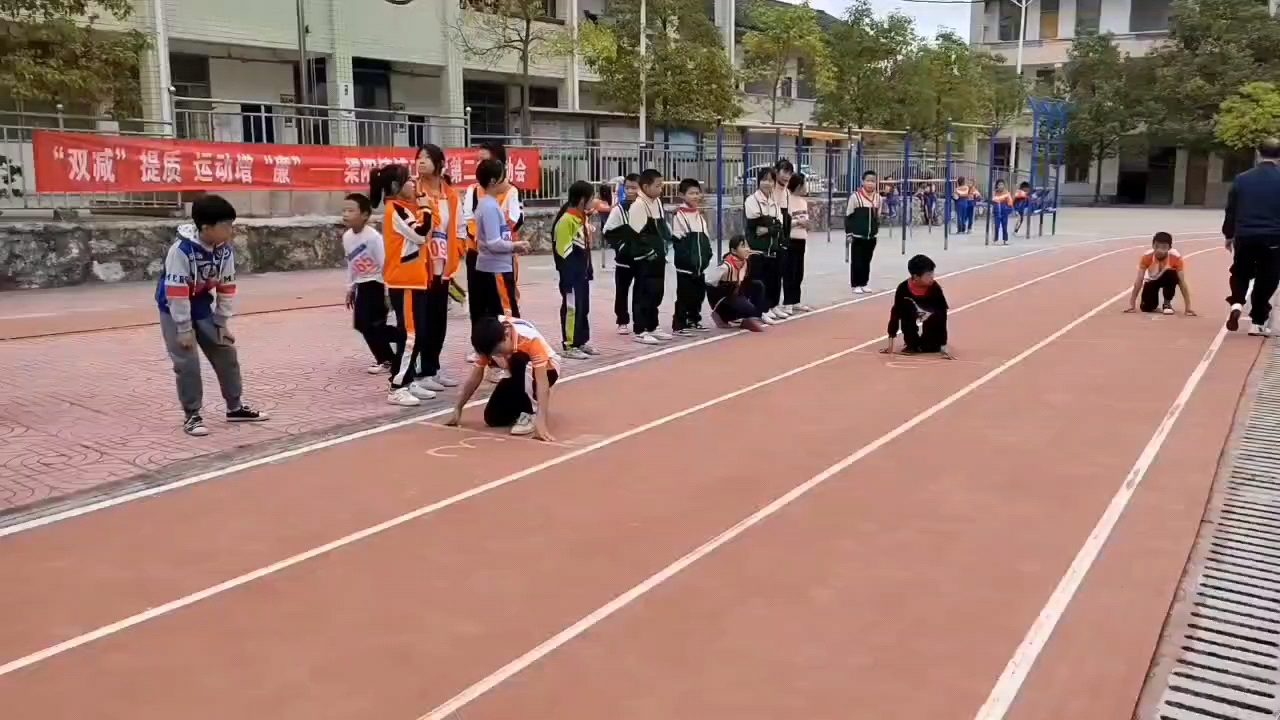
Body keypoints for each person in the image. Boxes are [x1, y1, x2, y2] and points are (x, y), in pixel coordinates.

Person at [156, 194, 268, 436]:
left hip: (202, 305)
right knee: (187, 362)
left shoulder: (224, 250)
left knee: (226, 351)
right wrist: (184, 329)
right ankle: (192, 415)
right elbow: (176, 293)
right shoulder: (181, 251)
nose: (230, 230)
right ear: (206, 227)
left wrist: (221, 321)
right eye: (225, 225)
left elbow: (227, 286)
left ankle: (235, 407)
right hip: (174, 309)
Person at [371, 162, 439, 405]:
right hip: (405, 280)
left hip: (416, 278)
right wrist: (427, 209)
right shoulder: (396, 209)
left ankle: (409, 379)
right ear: (395, 186)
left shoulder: (406, 208)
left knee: (418, 333)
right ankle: (397, 386)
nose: (414, 184)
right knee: (409, 334)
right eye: (409, 180)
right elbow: (421, 233)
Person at [446, 315, 559, 441]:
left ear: (506, 334)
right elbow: (475, 376)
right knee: (493, 418)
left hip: (548, 369)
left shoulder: (529, 339)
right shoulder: (489, 339)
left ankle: (530, 412)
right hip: (516, 374)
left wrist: (541, 420)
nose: (500, 356)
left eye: (500, 351)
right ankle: (522, 403)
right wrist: (458, 407)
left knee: (518, 359)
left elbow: (541, 380)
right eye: (495, 355)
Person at [461, 141, 524, 356]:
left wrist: (499, 237)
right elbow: (468, 218)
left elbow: (514, 219)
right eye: (478, 159)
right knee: (479, 304)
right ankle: (482, 346)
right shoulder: (474, 192)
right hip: (479, 254)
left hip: (500, 256)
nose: (480, 163)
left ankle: (508, 344)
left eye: (485, 159)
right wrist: (482, 235)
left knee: (504, 302)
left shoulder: (510, 192)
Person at [412, 143, 465, 392]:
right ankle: (421, 371)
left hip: (442, 265)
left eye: (426, 158)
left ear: (439, 163)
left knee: (438, 318)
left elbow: (458, 226)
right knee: (421, 320)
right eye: (418, 157)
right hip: (420, 265)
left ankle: (433, 367)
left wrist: (457, 251)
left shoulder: (450, 194)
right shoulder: (412, 189)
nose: (421, 161)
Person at [1223, 137, 1280, 336]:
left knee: (1240, 272)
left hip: (1245, 235)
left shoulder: (1242, 179)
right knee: (1268, 277)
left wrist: (1229, 235)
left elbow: (1231, 209)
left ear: (1258, 153)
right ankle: (1258, 320)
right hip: (1273, 238)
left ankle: (1237, 302)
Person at [341, 192, 402, 377]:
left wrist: (387, 292)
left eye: (351, 210)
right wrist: (350, 287)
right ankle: (393, 351)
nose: (345, 214)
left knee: (372, 325)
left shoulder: (373, 237)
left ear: (365, 215)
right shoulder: (347, 237)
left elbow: (385, 264)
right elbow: (351, 264)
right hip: (362, 284)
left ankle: (399, 345)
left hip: (376, 283)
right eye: (343, 210)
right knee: (362, 324)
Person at [554, 180, 598, 359]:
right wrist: (569, 275)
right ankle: (570, 345)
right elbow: (562, 251)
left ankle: (581, 341)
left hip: (582, 274)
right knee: (572, 308)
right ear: (582, 200)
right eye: (591, 198)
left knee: (583, 307)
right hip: (571, 275)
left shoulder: (581, 218)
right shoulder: (566, 220)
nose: (593, 202)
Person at [628, 168, 671, 344]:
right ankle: (640, 329)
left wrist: (667, 244)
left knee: (656, 292)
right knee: (643, 292)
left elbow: (661, 229)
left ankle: (653, 325)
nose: (661, 189)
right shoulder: (639, 205)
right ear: (645, 186)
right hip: (645, 259)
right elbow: (637, 235)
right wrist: (650, 253)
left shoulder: (657, 203)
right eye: (658, 185)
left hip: (658, 257)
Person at [882, 254, 952, 358]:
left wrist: (943, 345)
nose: (932, 277)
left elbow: (942, 315)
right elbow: (895, 313)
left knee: (931, 346)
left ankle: (929, 343)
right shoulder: (903, 289)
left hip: (930, 313)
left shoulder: (935, 289)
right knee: (904, 310)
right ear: (915, 277)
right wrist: (891, 341)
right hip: (911, 311)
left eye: (932, 273)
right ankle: (911, 343)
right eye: (928, 275)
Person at [671, 178, 714, 336]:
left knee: (698, 293)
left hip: (699, 264)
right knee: (684, 294)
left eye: (697, 193)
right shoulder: (680, 215)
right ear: (682, 195)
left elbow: (705, 237)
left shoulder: (698, 215)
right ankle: (680, 324)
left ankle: (694, 319)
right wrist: (687, 258)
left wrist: (706, 255)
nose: (695, 196)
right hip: (686, 265)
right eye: (691, 193)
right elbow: (678, 240)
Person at [744, 167, 784, 323]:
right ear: (759, 181)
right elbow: (754, 223)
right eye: (764, 180)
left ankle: (771, 306)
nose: (767, 183)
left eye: (770, 180)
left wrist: (769, 227)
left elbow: (778, 224)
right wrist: (770, 224)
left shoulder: (774, 201)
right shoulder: (752, 200)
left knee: (773, 279)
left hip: (772, 247)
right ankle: (760, 310)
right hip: (757, 248)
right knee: (759, 281)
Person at [604, 173, 641, 335]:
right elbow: (608, 231)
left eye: (634, 188)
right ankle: (622, 321)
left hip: (642, 259)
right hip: (624, 260)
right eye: (628, 188)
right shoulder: (619, 209)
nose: (631, 191)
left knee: (641, 292)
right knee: (622, 291)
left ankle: (641, 321)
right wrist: (621, 246)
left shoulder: (646, 208)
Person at [704, 235, 767, 332]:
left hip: (737, 294)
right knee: (748, 308)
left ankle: (751, 317)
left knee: (758, 285)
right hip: (725, 298)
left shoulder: (746, 263)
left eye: (747, 246)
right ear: (733, 251)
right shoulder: (726, 266)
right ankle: (721, 315)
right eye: (743, 246)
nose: (747, 249)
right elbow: (709, 282)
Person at [1125, 232, 1195, 316]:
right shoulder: (1147, 257)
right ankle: (1151, 304)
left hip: (1167, 278)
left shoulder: (1175, 257)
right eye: (1157, 246)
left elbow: (1182, 282)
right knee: (1147, 308)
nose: (1159, 250)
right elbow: (1139, 279)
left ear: (1169, 248)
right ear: (1153, 246)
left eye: (1164, 247)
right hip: (1152, 280)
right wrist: (1132, 304)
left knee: (1172, 273)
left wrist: (1188, 307)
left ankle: (1167, 304)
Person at [846, 170, 882, 295]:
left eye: (873, 181)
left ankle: (864, 283)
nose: (870, 184)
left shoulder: (878, 198)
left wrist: (875, 229)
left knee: (867, 260)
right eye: (868, 181)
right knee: (857, 261)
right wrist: (849, 233)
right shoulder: (855, 197)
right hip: (857, 235)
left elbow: (878, 216)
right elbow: (849, 216)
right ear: (863, 182)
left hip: (871, 236)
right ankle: (855, 284)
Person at [782, 172, 813, 314]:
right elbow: (785, 222)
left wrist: (807, 224)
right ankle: (787, 301)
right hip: (790, 239)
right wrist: (797, 222)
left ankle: (796, 300)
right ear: (798, 185)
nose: (806, 187)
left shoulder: (803, 202)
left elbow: (806, 218)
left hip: (802, 238)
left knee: (799, 272)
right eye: (804, 184)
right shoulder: (786, 200)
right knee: (790, 271)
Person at [771, 159, 795, 318]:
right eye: (784, 172)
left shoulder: (786, 192)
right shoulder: (771, 190)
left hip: (784, 236)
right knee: (770, 272)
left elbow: (788, 216)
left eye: (789, 173)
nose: (787, 176)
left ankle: (775, 304)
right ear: (776, 171)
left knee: (780, 272)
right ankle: (767, 305)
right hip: (772, 236)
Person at [991, 179, 1014, 245]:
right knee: (996, 226)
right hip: (997, 211)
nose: (1000, 186)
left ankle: (1005, 240)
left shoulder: (1006, 193)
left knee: (1004, 226)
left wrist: (1007, 210)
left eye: (1002, 184)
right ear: (997, 185)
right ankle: (995, 239)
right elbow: (993, 200)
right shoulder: (995, 193)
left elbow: (1010, 203)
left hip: (1004, 211)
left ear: (1004, 186)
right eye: (999, 184)